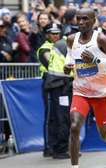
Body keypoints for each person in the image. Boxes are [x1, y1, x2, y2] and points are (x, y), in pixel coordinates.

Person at [63, 8, 106, 168]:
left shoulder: (101, 39)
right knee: (74, 126)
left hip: (100, 94)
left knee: (104, 134)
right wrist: (66, 66)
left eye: (85, 19)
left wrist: (97, 60)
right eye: (78, 19)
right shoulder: (71, 39)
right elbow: (69, 56)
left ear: (94, 21)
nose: (81, 22)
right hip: (81, 92)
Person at [37, 23, 72, 159]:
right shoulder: (44, 49)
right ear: (47, 35)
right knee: (51, 117)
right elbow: (50, 65)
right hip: (50, 83)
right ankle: (49, 147)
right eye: (52, 33)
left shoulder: (63, 45)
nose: (55, 35)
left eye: (57, 33)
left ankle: (60, 145)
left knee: (62, 116)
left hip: (63, 83)